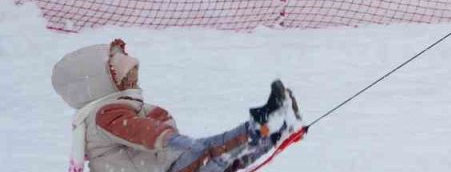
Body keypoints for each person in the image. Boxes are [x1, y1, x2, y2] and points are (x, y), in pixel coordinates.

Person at [52, 39, 302, 172]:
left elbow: (152, 119)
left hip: (167, 164)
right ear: (101, 81)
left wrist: (166, 131)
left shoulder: (118, 106)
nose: (133, 77)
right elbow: (137, 130)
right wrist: (169, 138)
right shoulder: (103, 114)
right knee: (219, 155)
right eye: (126, 74)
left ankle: (271, 126)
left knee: (218, 152)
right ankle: (271, 129)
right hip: (164, 167)